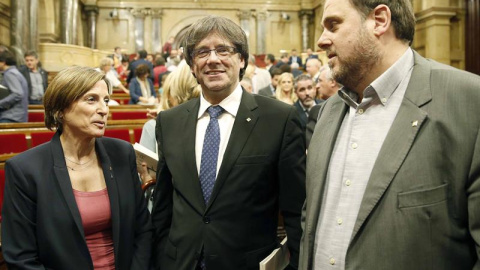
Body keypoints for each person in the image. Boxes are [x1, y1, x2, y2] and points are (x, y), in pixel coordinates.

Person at [299, 0, 480, 269]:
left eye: (333, 25)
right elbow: (310, 218)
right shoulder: (328, 112)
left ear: (380, 20)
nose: (322, 41)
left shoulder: (468, 100)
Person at [151, 15, 306, 270]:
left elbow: (296, 211)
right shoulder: (169, 122)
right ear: (191, 65)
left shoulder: (279, 119)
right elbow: (163, 207)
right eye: (202, 52)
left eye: (223, 50)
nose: (213, 59)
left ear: (242, 59)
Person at [1, 66, 152, 269]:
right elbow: (21, 258)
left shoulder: (121, 153)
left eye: (106, 100)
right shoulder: (26, 169)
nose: (104, 109)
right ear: (60, 110)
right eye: (91, 99)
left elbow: (142, 228)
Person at [0, 50, 28, 123]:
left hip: (11, 117)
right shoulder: (15, 72)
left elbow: (18, 94)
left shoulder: (10, 74)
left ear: (3, 62)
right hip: (16, 116)